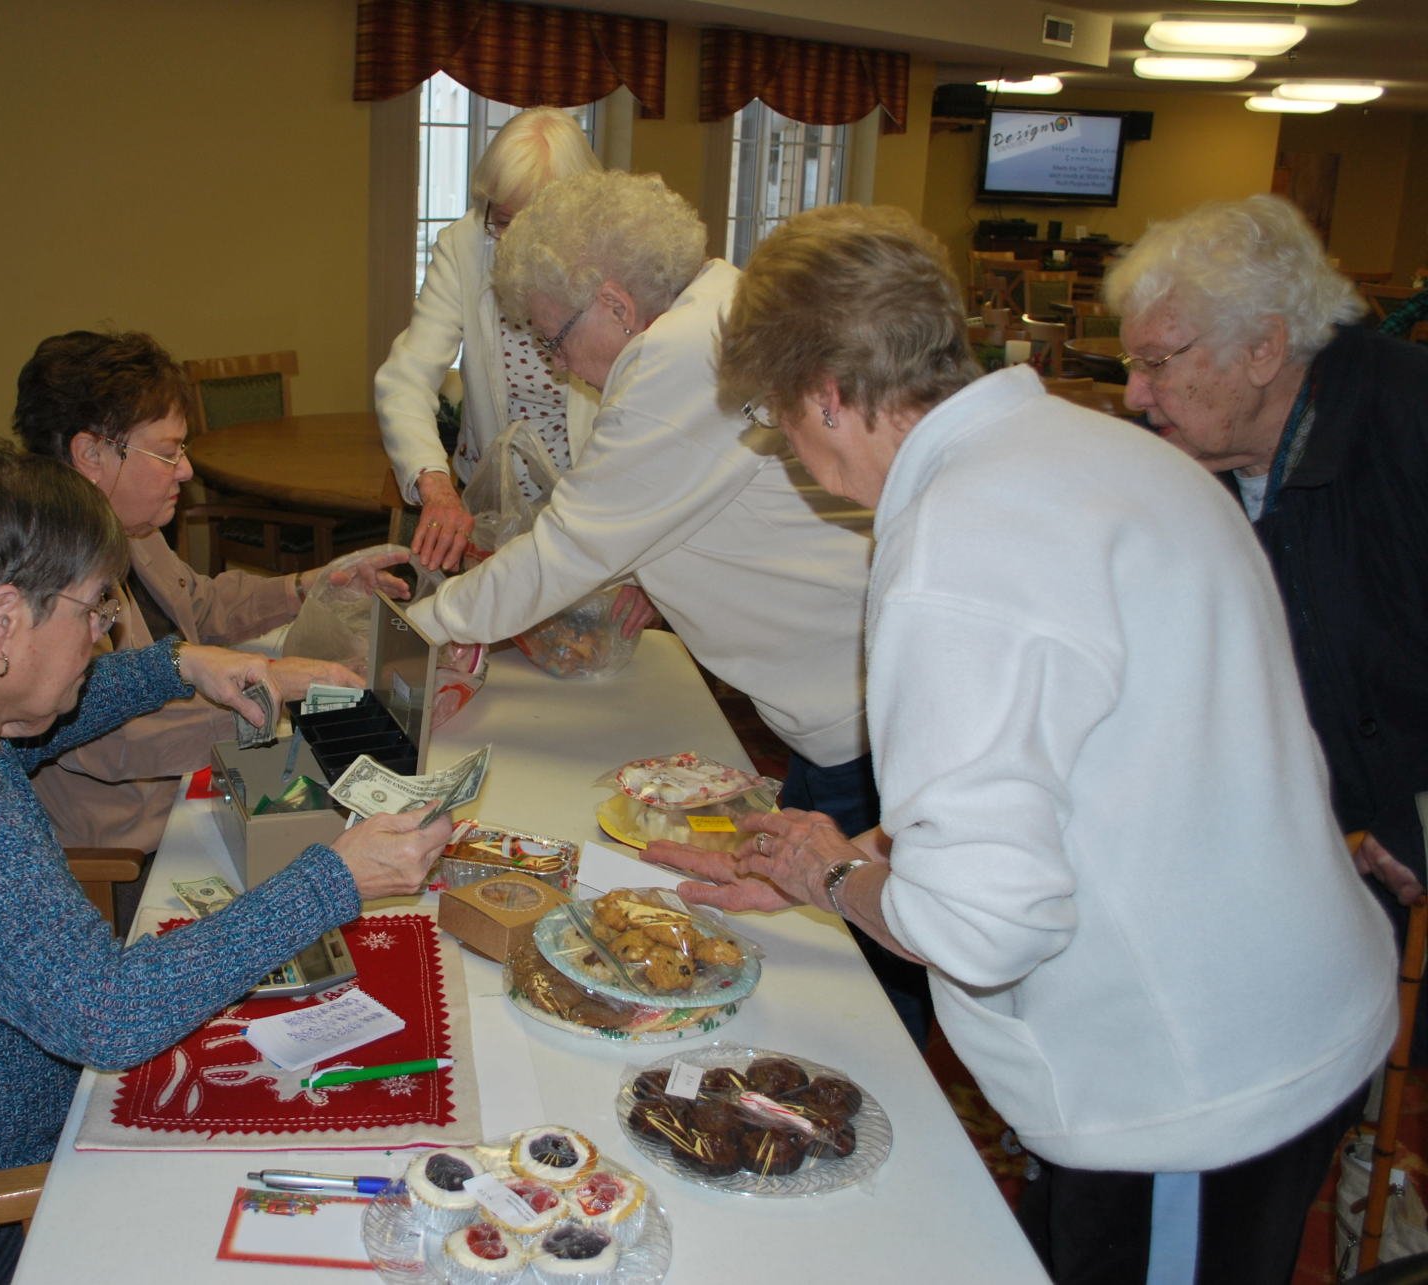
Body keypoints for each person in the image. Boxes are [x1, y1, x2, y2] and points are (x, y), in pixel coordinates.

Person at [664, 204, 1396, 1283]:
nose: (797, 455)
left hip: (1192, 1086)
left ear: (826, 393)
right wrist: (857, 854)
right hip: (1281, 999)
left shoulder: (956, 549)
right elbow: (1087, 771)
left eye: (779, 423)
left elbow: (981, 931)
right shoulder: (1098, 449)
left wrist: (833, 878)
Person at [0, 443, 447, 1284]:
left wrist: (179, 664)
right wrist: (335, 878)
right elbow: (109, 1014)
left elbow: (28, 720)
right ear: (1, 621)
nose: (102, 636)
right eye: (95, 611)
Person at [399, 171, 921, 1028]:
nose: (553, 362)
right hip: (852, 703)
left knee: (855, 989)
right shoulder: (713, 308)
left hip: (862, 722)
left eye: (552, 337)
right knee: (833, 951)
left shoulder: (680, 353)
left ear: (613, 303)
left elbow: (568, 548)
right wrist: (648, 569)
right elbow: (687, 505)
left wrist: (412, 628)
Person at [1106, 195, 1428, 928]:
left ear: (1263, 348)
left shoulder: (1410, 421)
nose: (1133, 393)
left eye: (1156, 363)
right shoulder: (1189, 461)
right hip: (1296, 857)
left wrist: (1420, 820)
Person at [14, 329, 409, 866]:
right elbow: (114, 738)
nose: (185, 469)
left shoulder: (130, 528)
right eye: (166, 452)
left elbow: (199, 604)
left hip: (191, 793)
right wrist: (275, 691)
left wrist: (305, 586)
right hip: (132, 854)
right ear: (90, 454)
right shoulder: (46, 579)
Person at [375, 106, 602, 571]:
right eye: (502, 221)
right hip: (492, 505)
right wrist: (436, 485)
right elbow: (406, 379)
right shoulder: (464, 246)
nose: (512, 243)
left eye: (535, 227)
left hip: (594, 505)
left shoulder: (615, 254)